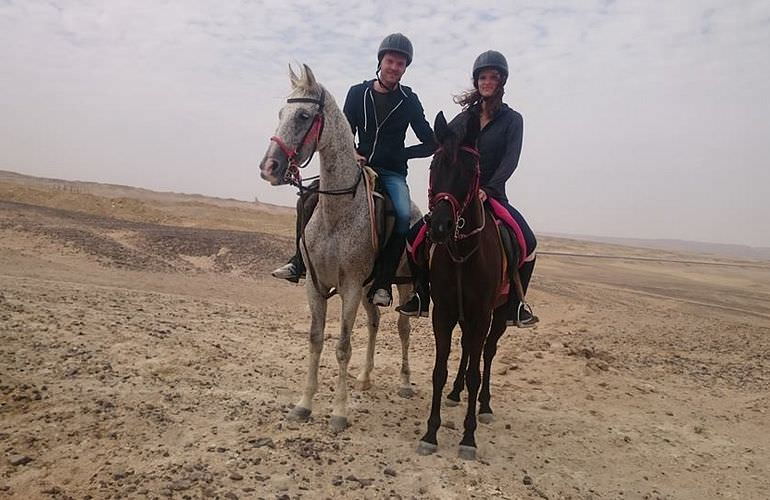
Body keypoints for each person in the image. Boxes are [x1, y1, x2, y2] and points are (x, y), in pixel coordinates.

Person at [271, 33, 436, 307]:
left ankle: (383, 283)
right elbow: (344, 131)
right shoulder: (358, 93)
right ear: (381, 61)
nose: (394, 67)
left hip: (393, 173)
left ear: (405, 68)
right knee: (308, 198)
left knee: (404, 214)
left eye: (401, 64)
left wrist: (401, 153)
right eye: (390, 61)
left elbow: (430, 142)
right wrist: (355, 152)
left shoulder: (410, 100)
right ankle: (298, 261)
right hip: (358, 165)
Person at [397, 50, 539, 327]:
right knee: (415, 239)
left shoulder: (513, 120)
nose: (487, 82)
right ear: (476, 82)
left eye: (492, 77)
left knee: (528, 242)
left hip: (491, 194)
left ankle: (516, 304)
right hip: (460, 195)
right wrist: (403, 152)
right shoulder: (464, 119)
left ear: (501, 82)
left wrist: (490, 187)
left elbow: (511, 160)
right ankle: (421, 294)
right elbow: (443, 147)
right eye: (482, 77)